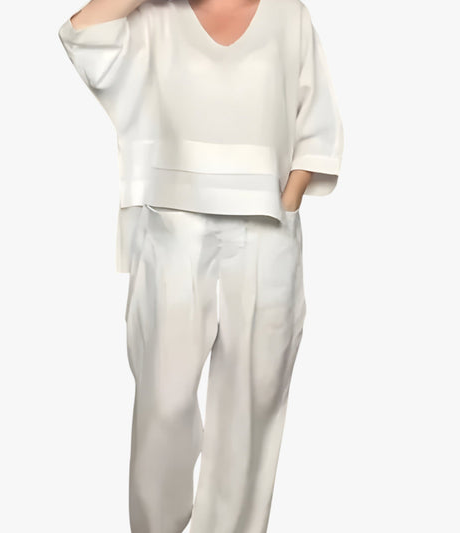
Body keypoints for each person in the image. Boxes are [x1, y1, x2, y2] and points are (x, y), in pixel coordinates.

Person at [58, 0, 344, 531]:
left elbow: (316, 124)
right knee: (162, 404)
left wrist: (287, 199)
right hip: (171, 230)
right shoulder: (155, 18)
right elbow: (82, 34)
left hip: (264, 232)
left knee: (252, 405)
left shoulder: (288, 14)